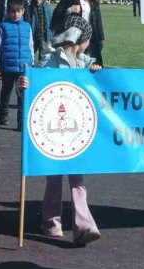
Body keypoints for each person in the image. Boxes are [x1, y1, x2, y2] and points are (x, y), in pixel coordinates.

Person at [37, 16, 103, 245]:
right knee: (54, 178)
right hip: (53, 129)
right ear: (80, 39)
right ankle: (51, 221)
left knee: (77, 177)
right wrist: (23, 85)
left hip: (77, 129)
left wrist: (97, 73)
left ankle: (83, 225)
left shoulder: (86, 63)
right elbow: (34, 90)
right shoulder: (49, 61)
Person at [0, 0, 33, 130]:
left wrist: (31, 62)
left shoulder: (27, 26)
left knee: (22, 95)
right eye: (12, 12)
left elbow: (30, 45)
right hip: (8, 66)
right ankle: (3, 115)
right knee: (6, 92)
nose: (15, 14)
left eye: (18, 11)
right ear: (8, 12)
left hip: (23, 67)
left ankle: (21, 122)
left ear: (22, 11)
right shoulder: (3, 26)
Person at [51, 0, 104, 65]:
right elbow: (56, 13)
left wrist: (100, 37)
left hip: (90, 38)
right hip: (75, 39)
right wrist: (69, 9)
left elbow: (98, 19)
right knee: (74, 63)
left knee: (92, 66)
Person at [26, 0, 53, 64]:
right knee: (30, 53)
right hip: (34, 34)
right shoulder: (30, 7)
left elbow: (50, 19)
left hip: (44, 35)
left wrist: (50, 32)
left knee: (43, 55)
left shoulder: (46, 6)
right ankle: (30, 67)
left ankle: (41, 70)